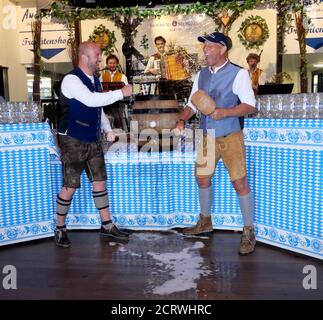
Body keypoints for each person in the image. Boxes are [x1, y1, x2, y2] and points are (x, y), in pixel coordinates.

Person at [174, 32, 257, 255]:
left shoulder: (238, 73)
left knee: (240, 183)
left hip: (231, 136)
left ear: (222, 49)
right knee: (202, 178)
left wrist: (225, 112)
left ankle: (248, 230)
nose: (205, 50)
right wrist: (182, 119)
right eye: (204, 46)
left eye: (209, 46)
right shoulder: (200, 74)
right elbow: (192, 104)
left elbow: (250, 105)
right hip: (207, 136)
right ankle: (205, 221)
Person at [55, 41, 132, 248]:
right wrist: (121, 93)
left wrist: (107, 128)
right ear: (84, 57)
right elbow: (90, 100)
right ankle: (60, 228)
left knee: (99, 182)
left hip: (92, 137)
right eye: (97, 55)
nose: (100, 58)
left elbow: (98, 109)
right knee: (70, 186)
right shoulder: (71, 79)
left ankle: (107, 226)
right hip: (73, 138)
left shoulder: (95, 79)